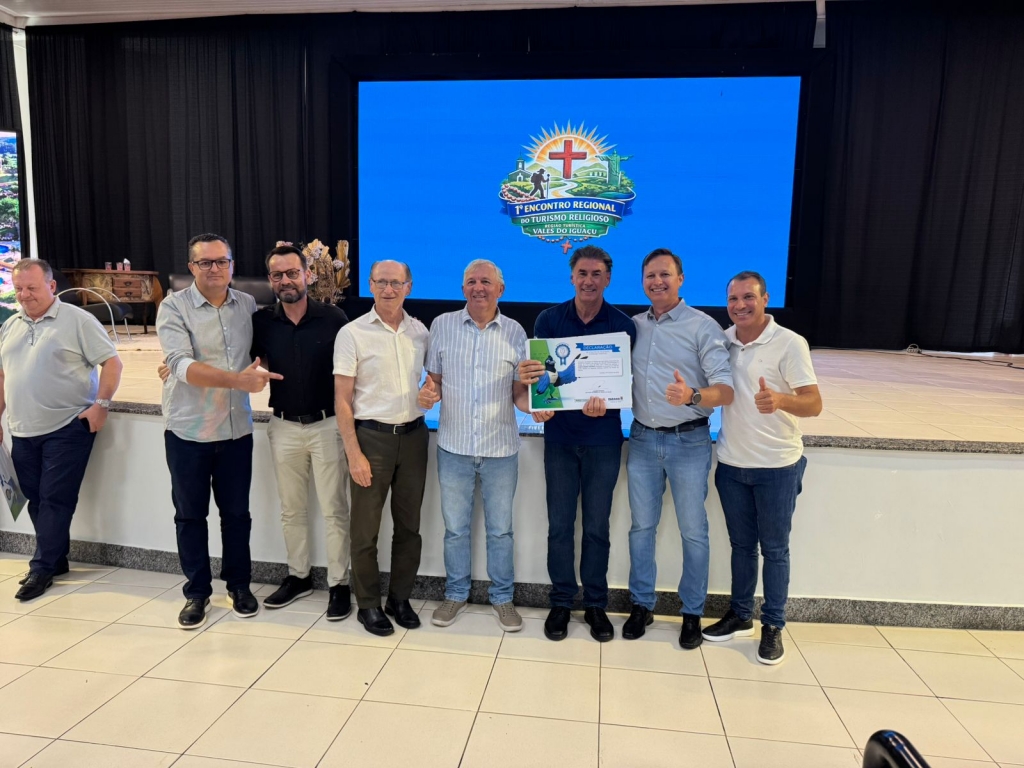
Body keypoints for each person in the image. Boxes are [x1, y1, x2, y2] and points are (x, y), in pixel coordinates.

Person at [157, 233, 280, 629]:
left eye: (221, 261)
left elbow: (260, 352)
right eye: (205, 262)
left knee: (237, 515)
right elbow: (180, 364)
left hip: (235, 431)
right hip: (188, 431)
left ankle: (239, 586)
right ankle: (196, 593)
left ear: (232, 264)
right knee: (190, 516)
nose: (214, 269)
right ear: (191, 267)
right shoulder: (173, 307)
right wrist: (235, 381)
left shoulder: (247, 304)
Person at [517, 245, 636, 643]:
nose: (588, 281)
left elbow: (624, 382)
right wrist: (538, 395)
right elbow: (543, 380)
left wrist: (610, 400)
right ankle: (562, 602)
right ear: (572, 277)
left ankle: (596, 604)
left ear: (608, 279)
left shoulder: (623, 326)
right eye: (582, 273)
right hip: (561, 440)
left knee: (597, 528)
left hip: (603, 440)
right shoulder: (549, 320)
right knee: (560, 526)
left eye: (596, 274)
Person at [702, 271, 821, 664]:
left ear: (765, 299)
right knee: (741, 547)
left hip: (777, 466)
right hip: (732, 464)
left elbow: (814, 403)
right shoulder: (723, 341)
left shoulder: (790, 343)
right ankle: (740, 615)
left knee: (775, 550)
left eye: (748, 297)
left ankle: (773, 626)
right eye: (733, 299)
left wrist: (781, 401)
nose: (740, 305)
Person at [625, 247, 734, 649]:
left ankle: (692, 611)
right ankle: (642, 605)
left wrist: (691, 395)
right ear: (643, 282)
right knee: (641, 528)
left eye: (665, 274)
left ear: (681, 279)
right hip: (642, 439)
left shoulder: (703, 327)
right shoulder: (633, 327)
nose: (657, 282)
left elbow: (726, 390)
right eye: (650, 276)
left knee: (693, 531)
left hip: (689, 441)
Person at [422, 259, 537, 633]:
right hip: (453, 447)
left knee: (500, 531)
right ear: (463, 289)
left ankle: (502, 598)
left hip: (500, 450)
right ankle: (455, 594)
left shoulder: (516, 332)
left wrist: (535, 409)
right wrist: (428, 393)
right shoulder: (442, 325)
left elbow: (519, 394)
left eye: (486, 281)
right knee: (455, 530)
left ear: (500, 289)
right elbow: (434, 382)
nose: (478, 287)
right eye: (471, 281)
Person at [0, 259, 122, 601]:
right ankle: (56, 559)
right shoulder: (10, 325)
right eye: (19, 288)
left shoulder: (78, 320)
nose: (25, 295)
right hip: (22, 428)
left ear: (51, 286)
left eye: (32, 287)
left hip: (67, 427)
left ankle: (41, 568)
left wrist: (102, 405)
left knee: (55, 497)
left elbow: (112, 362)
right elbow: (3, 375)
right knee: (35, 498)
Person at [251, 245, 353, 620]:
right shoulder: (261, 322)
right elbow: (246, 363)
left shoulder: (334, 318)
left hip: (327, 426)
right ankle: (299, 577)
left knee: (335, 509)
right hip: (283, 428)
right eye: (278, 275)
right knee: (291, 510)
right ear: (271, 280)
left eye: (293, 273)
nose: (286, 280)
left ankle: (339, 584)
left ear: (307, 275)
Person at [334, 260, 430, 637]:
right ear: (370, 286)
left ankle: (399, 599)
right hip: (371, 439)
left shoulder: (420, 332)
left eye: (396, 282)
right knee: (365, 531)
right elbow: (342, 400)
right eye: (381, 282)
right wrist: (354, 453)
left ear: (408, 286)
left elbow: (432, 382)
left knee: (409, 528)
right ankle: (369, 605)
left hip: (414, 438)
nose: (388, 289)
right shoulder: (352, 333)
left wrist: (433, 391)